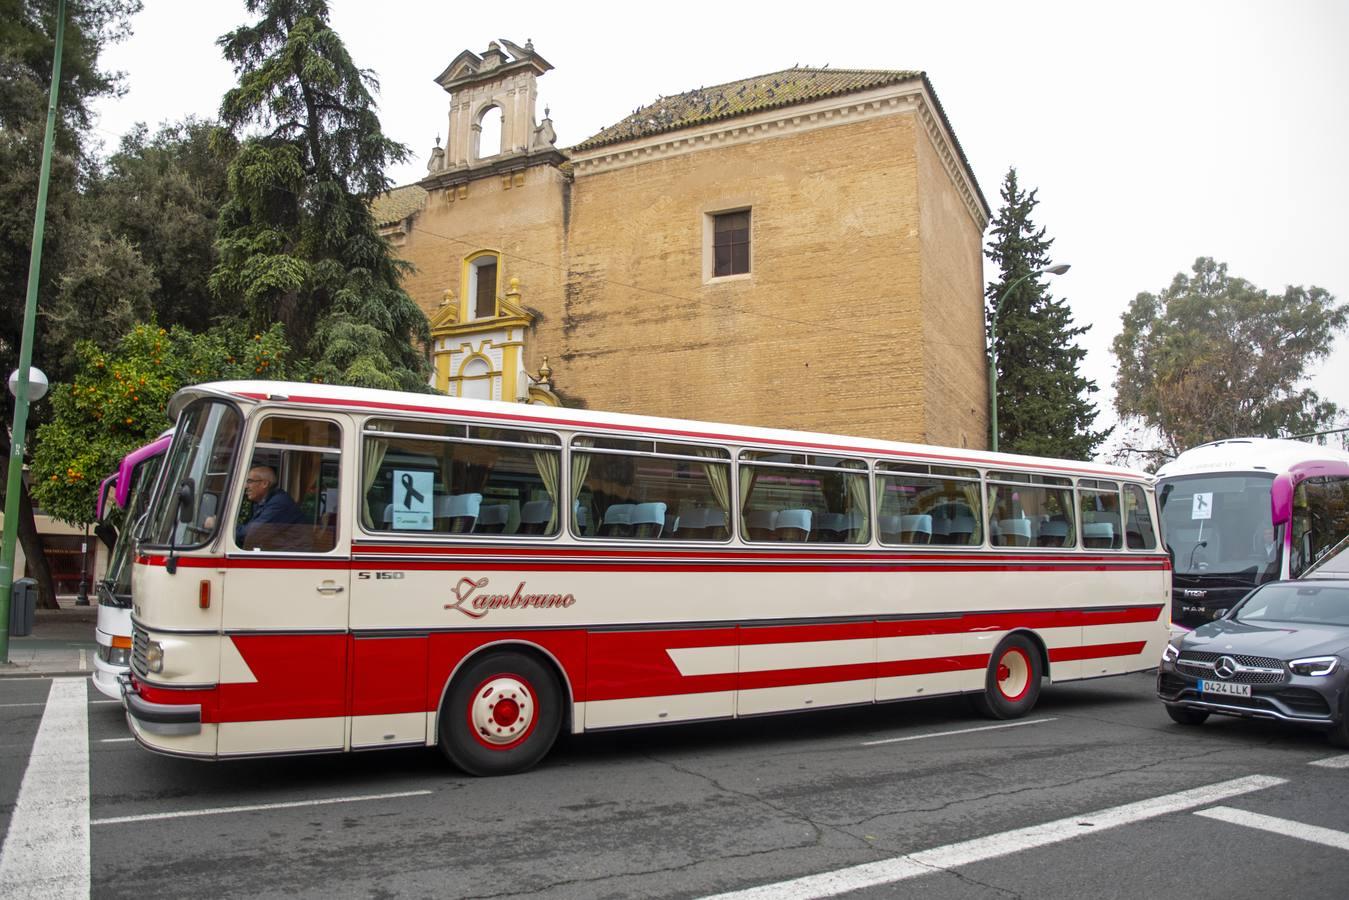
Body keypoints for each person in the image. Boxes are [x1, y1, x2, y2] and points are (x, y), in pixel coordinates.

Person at [235, 465, 303, 548]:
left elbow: (251, 534)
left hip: (292, 556)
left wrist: (222, 527)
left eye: (250, 481)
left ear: (265, 483)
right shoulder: (262, 501)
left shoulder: (279, 503)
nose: (246, 486)